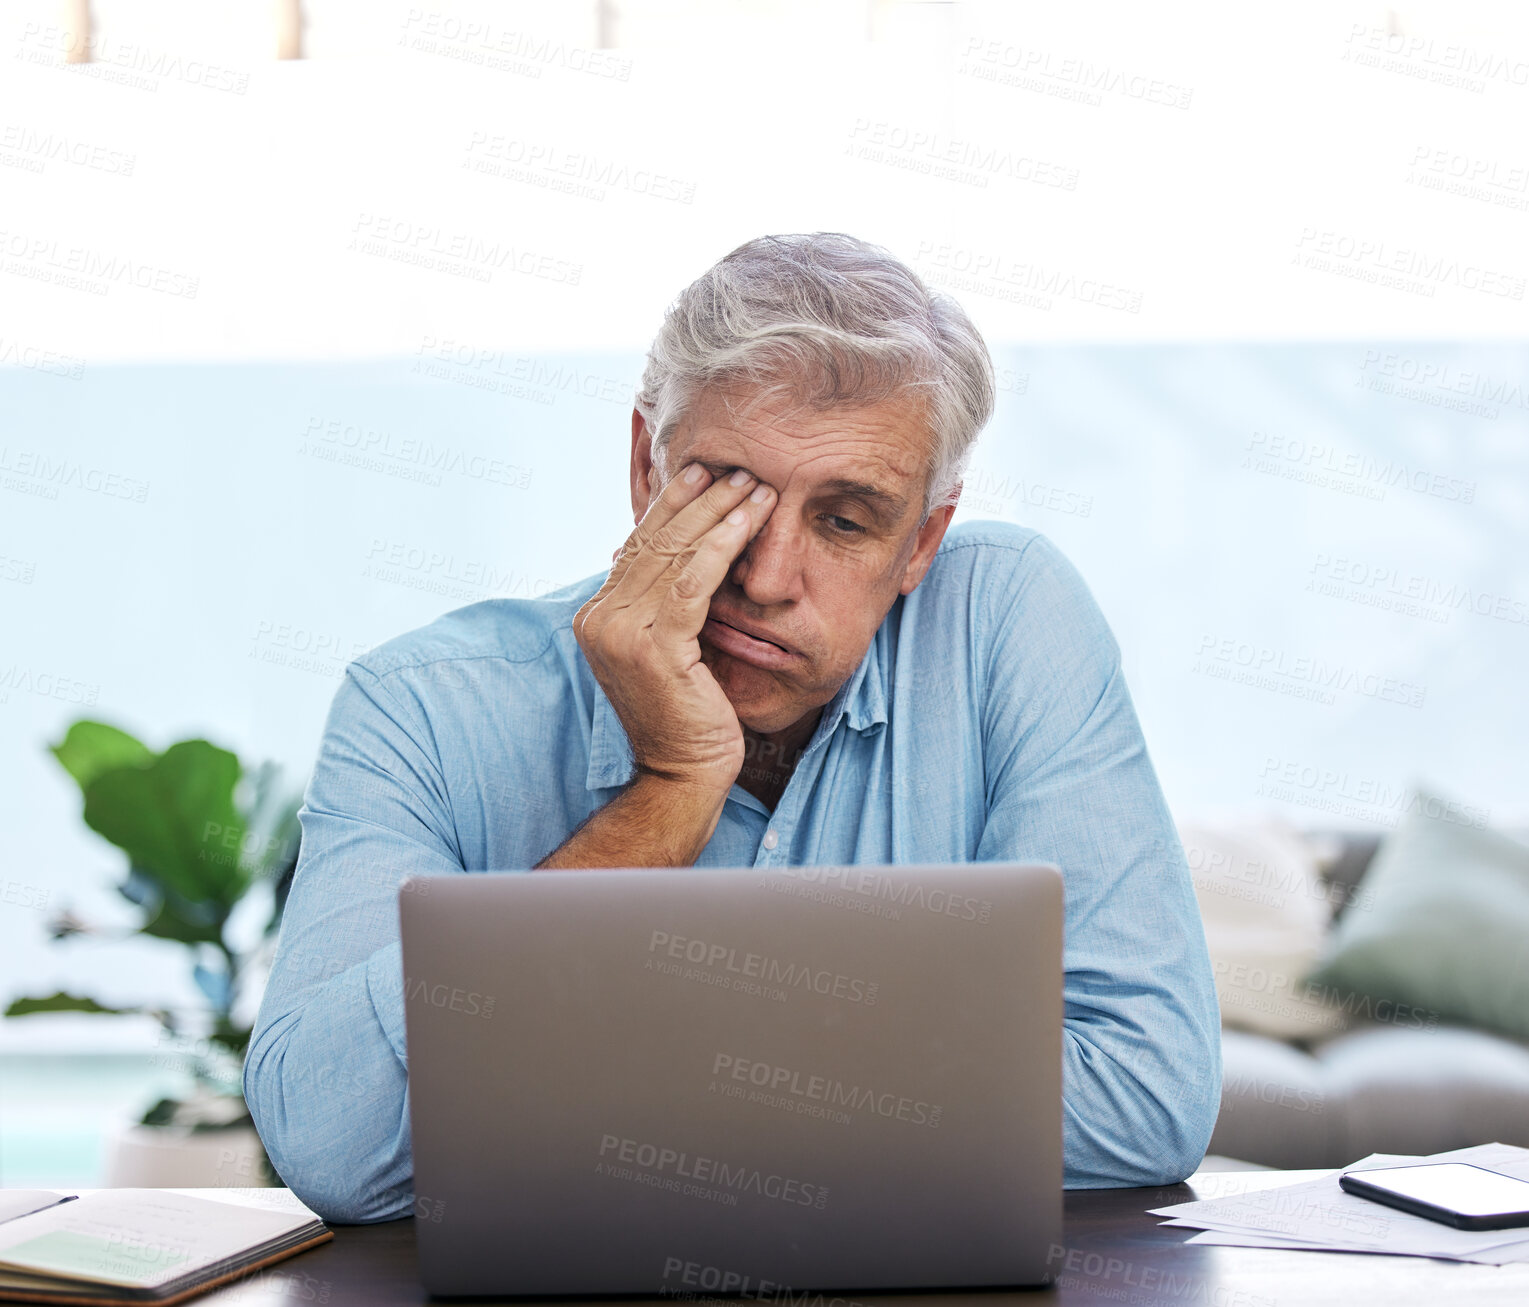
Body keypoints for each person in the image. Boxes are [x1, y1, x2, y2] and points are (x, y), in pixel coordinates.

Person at [243, 232, 1221, 1223]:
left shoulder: (1002, 622)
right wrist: (668, 794)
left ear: (922, 540)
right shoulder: (420, 706)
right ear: (645, 465)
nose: (764, 577)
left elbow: (1142, 1096)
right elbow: (333, 1144)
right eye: (725, 494)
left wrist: (614, 1095)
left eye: (844, 521)